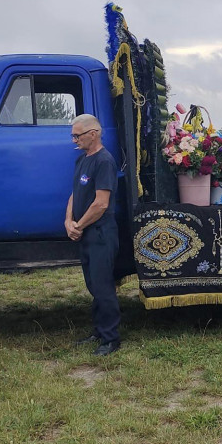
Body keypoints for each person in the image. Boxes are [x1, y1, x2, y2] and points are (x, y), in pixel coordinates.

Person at [66, 114, 121, 356]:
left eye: (77, 135)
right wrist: (68, 221)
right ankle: (99, 330)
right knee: (93, 285)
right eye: (73, 135)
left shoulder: (104, 161)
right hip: (86, 232)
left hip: (100, 233)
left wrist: (79, 225)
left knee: (103, 285)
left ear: (93, 133)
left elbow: (101, 204)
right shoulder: (81, 160)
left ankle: (111, 338)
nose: (74, 140)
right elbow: (74, 194)